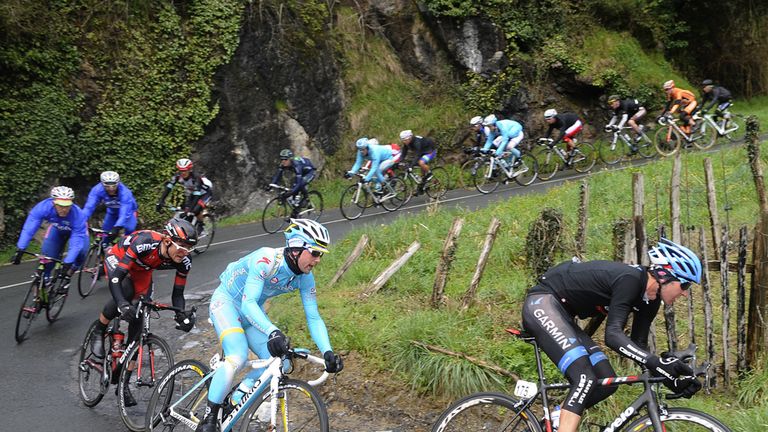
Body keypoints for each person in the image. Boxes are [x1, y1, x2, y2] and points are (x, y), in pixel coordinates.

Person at [521, 238, 703, 432]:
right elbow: (613, 335)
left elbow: (638, 346)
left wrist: (669, 377)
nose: (685, 294)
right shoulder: (631, 280)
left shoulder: (651, 301)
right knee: (584, 378)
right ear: (665, 275)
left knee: (606, 381)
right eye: (685, 285)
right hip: (543, 303)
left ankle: (556, 420)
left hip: (563, 315)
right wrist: (656, 362)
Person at [196, 219, 343, 432]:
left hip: (251, 315)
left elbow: (313, 318)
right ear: (296, 248)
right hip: (227, 303)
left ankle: (235, 399)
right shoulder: (266, 259)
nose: (318, 259)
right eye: (315, 252)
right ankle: (209, 418)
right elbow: (247, 303)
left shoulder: (305, 278)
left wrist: (327, 352)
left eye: (321, 254)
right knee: (238, 356)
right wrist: (273, 331)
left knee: (281, 362)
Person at [88, 218, 198, 405]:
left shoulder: (184, 261)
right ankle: (99, 329)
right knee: (125, 291)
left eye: (189, 248)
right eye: (181, 246)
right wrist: (122, 304)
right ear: (167, 241)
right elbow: (116, 278)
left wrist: (181, 315)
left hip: (143, 270)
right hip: (119, 258)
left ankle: (123, 384)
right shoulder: (145, 242)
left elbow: (178, 294)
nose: (184, 252)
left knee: (139, 325)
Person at [11, 186, 88, 293]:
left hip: (77, 233)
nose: (64, 209)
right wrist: (20, 248)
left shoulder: (78, 215)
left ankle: (68, 275)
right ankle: (45, 280)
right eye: (60, 206)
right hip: (57, 230)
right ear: (53, 203)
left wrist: (68, 262)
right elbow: (29, 228)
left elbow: (76, 243)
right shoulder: (43, 207)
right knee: (48, 256)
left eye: (67, 206)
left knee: (81, 252)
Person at [81, 171, 139, 246]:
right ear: (102, 184)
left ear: (118, 184)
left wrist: (117, 227)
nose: (111, 189)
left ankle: (127, 246)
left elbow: (124, 213)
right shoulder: (97, 190)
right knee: (106, 232)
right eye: (107, 187)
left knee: (130, 229)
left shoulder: (125, 193)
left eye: (114, 186)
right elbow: (89, 206)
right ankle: (104, 246)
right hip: (112, 212)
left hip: (129, 213)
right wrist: (82, 220)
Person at [156, 158, 213, 227]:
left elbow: (197, 195)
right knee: (185, 212)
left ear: (189, 170)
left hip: (205, 194)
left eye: (185, 170)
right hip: (192, 193)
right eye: (181, 171)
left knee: (195, 210)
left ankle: (201, 225)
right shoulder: (177, 176)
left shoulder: (195, 178)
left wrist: (190, 211)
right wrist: (161, 201)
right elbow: (168, 188)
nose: (183, 173)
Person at [267, 149, 316, 217]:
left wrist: (291, 192)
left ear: (290, 159)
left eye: (285, 159)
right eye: (282, 159)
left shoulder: (297, 164)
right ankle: (297, 208)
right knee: (294, 188)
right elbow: (277, 176)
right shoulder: (283, 164)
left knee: (300, 184)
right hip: (301, 172)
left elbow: (298, 183)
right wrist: (271, 185)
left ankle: (307, 200)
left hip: (309, 172)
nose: (283, 161)